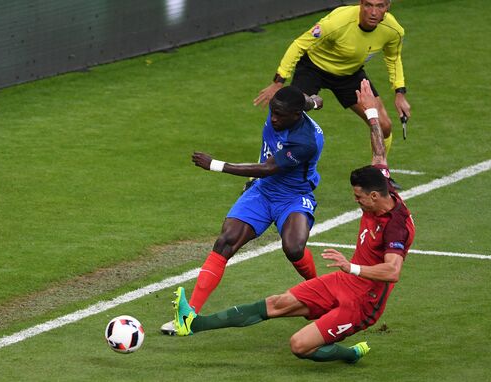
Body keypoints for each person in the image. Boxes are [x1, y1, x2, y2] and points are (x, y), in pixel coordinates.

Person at [170, 79, 416, 365]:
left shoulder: (395, 224)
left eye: (359, 198)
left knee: (299, 344)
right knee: (278, 303)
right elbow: (378, 151)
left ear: (375, 196)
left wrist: (353, 267)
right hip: (341, 280)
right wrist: (371, 113)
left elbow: (393, 271)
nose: (356, 201)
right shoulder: (381, 184)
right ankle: (192, 322)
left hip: (364, 301)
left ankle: (348, 354)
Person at [161, 86, 325, 335]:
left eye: (280, 115)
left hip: (293, 196)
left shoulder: (306, 142)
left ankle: (319, 294)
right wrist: (314, 100)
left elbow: (268, 167)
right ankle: (187, 315)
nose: (273, 119)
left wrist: (216, 165)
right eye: (272, 112)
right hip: (263, 192)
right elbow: (311, 101)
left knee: (293, 247)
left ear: (295, 115)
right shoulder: (293, 106)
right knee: (226, 241)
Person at [254, 0, 411, 154]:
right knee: (285, 114)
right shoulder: (337, 22)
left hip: (349, 74)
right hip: (314, 68)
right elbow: (300, 44)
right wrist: (278, 82)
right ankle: (260, 173)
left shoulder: (393, 30)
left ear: (388, 7)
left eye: (380, 6)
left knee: (384, 126)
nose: (373, 12)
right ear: (360, 4)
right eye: (368, 5)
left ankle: (381, 174)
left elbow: (394, 58)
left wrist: (400, 92)